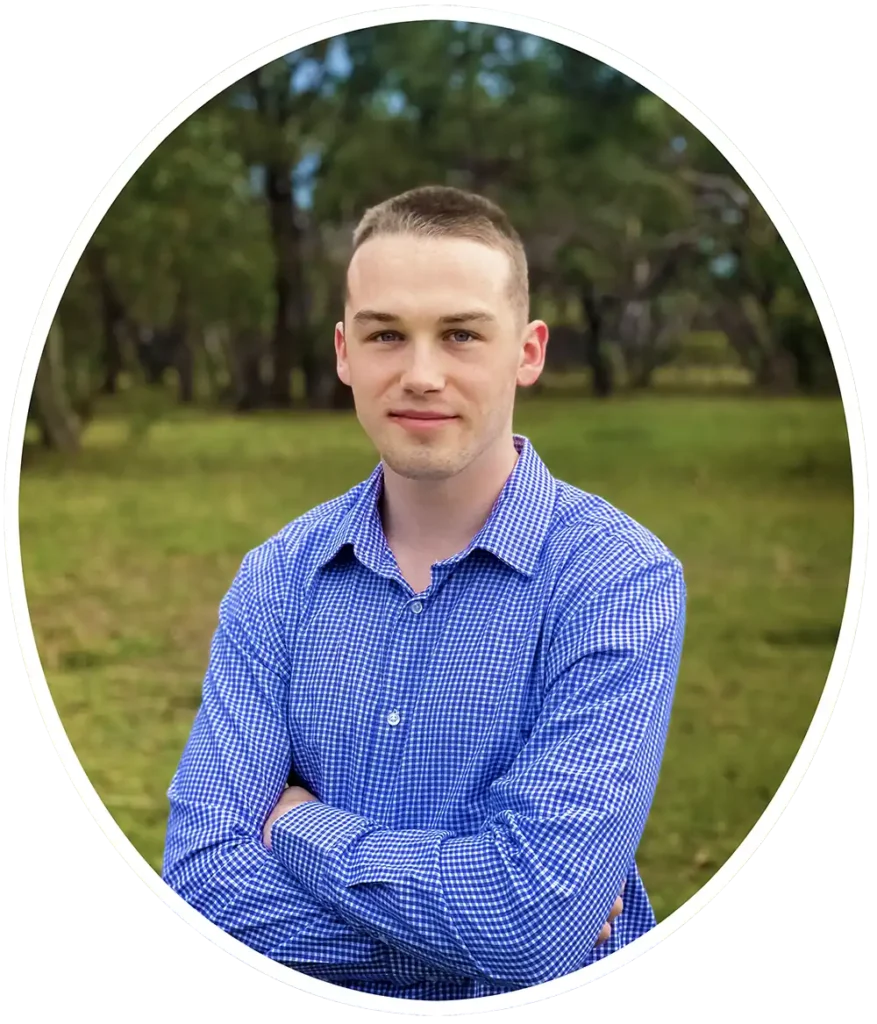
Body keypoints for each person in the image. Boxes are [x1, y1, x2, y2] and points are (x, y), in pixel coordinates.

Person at [162, 185, 686, 1001]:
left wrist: (298, 826)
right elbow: (200, 885)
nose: (420, 374)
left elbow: (528, 923)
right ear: (344, 352)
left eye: (460, 334)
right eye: (385, 335)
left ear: (528, 350)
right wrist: (490, 947)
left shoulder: (617, 579)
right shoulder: (276, 577)